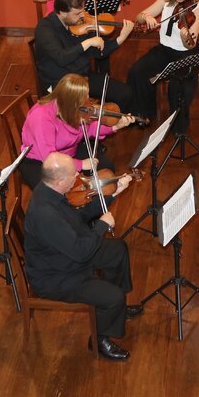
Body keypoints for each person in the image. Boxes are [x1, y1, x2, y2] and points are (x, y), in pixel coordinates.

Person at [23, 152, 142, 361]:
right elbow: (80, 252)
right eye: (73, 174)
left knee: (117, 250)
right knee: (113, 297)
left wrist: (112, 195)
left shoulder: (49, 189)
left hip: (66, 254)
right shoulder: (45, 215)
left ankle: (117, 310)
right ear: (59, 181)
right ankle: (99, 340)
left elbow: (78, 215)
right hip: (56, 275)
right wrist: (101, 226)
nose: (78, 175)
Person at [19, 74, 136, 190]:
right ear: (72, 102)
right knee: (63, 193)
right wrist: (81, 164)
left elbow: (89, 128)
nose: (88, 99)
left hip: (69, 151)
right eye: (85, 96)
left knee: (106, 168)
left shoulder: (75, 109)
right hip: (41, 162)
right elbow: (50, 157)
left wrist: (114, 127)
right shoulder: (41, 117)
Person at [127, 0, 199, 135]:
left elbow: (191, 44)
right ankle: (144, 114)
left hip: (186, 55)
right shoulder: (165, 0)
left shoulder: (196, 9)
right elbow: (139, 17)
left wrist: (185, 36)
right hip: (165, 50)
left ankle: (178, 128)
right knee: (137, 71)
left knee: (176, 89)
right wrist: (147, 17)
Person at [33, 0, 134, 107]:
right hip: (60, 82)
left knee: (125, 93)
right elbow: (61, 58)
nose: (82, 16)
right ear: (62, 12)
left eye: (82, 11)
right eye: (77, 13)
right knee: (82, 110)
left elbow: (98, 53)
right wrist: (88, 42)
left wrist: (120, 39)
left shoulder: (81, 22)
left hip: (82, 76)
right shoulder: (45, 28)